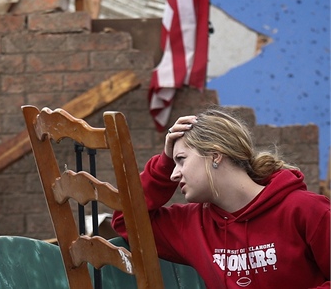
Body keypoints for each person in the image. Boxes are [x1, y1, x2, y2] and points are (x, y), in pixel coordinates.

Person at [112, 107, 330, 289]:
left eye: (180, 160)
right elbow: (126, 219)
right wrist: (164, 161)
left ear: (215, 155)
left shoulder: (306, 210)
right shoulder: (190, 225)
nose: (173, 173)